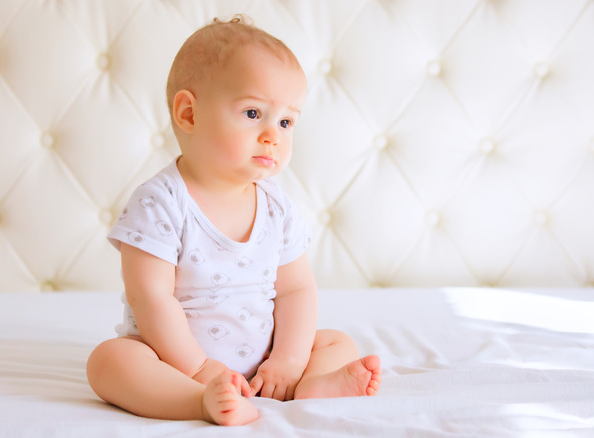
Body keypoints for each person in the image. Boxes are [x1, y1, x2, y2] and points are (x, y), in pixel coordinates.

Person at [86, 15, 381, 426]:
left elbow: (296, 290)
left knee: (336, 341)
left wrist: (288, 361)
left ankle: (309, 385)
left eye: (285, 121)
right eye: (252, 112)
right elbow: (151, 298)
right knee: (110, 361)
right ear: (189, 114)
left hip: (266, 362)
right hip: (176, 362)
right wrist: (199, 368)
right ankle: (198, 401)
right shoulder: (160, 203)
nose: (273, 136)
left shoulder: (277, 207)